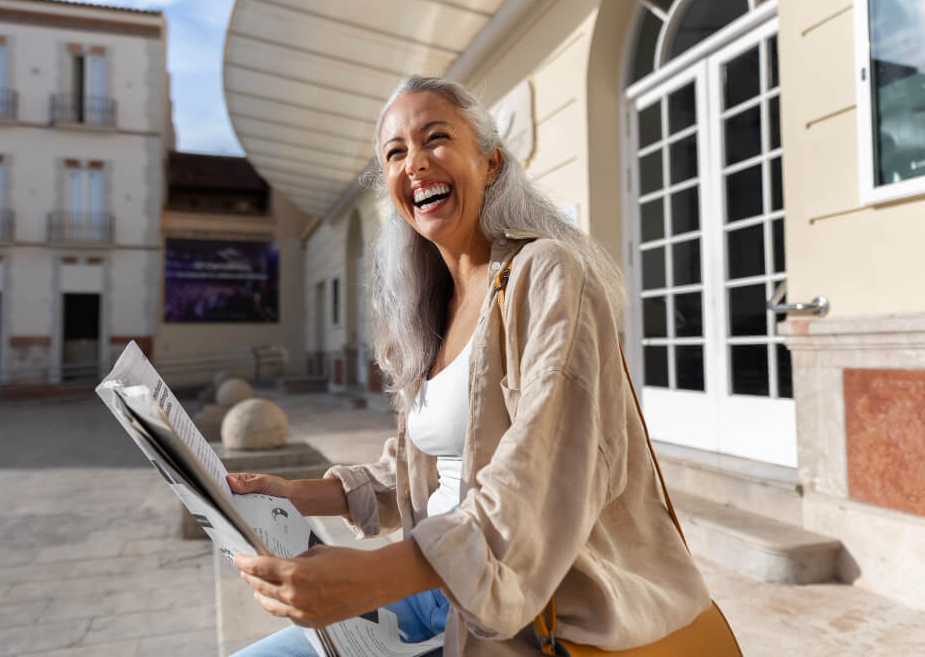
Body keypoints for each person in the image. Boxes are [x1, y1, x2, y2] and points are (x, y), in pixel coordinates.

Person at [227, 76, 712, 656]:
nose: (416, 164)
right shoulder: (428, 311)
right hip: (432, 590)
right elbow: (426, 470)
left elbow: (546, 467)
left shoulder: (547, 272)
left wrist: (374, 575)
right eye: (395, 153)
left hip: (530, 609)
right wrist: (297, 493)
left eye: (436, 138)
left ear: (490, 163)